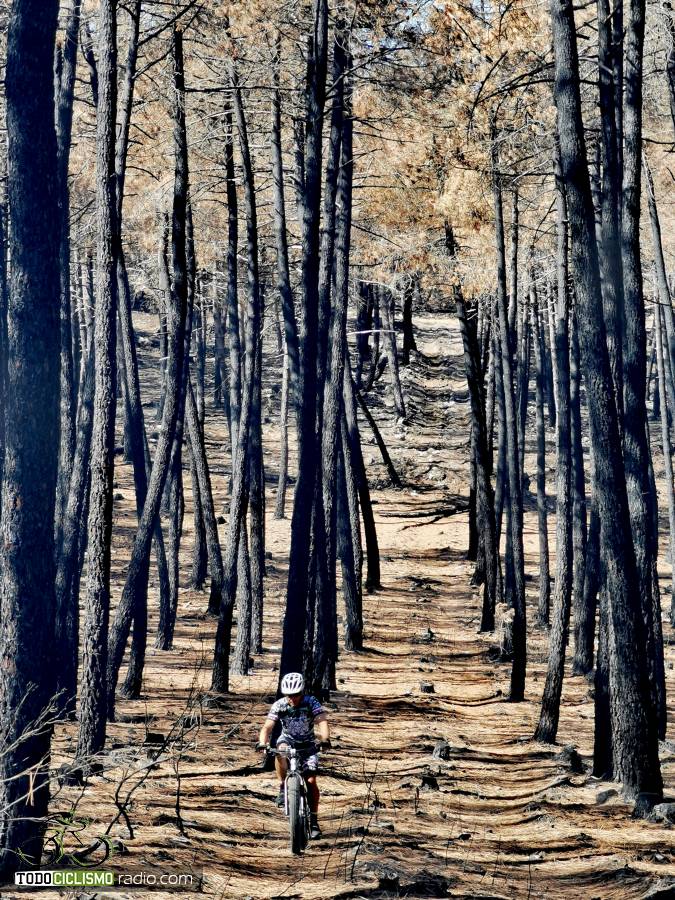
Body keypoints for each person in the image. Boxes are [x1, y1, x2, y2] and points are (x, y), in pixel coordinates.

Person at [257, 672, 331, 840]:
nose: (292, 698)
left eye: (296, 694)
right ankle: (283, 786)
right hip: (288, 741)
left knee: (311, 782)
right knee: (280, 750)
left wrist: (325, 739)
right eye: (289, 695)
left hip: (307, 744)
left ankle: (314, 821)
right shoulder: (279, 705)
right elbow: (267, 727)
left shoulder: (311, 702)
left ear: (301, 692)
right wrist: (262, 742)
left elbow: (322, 721)